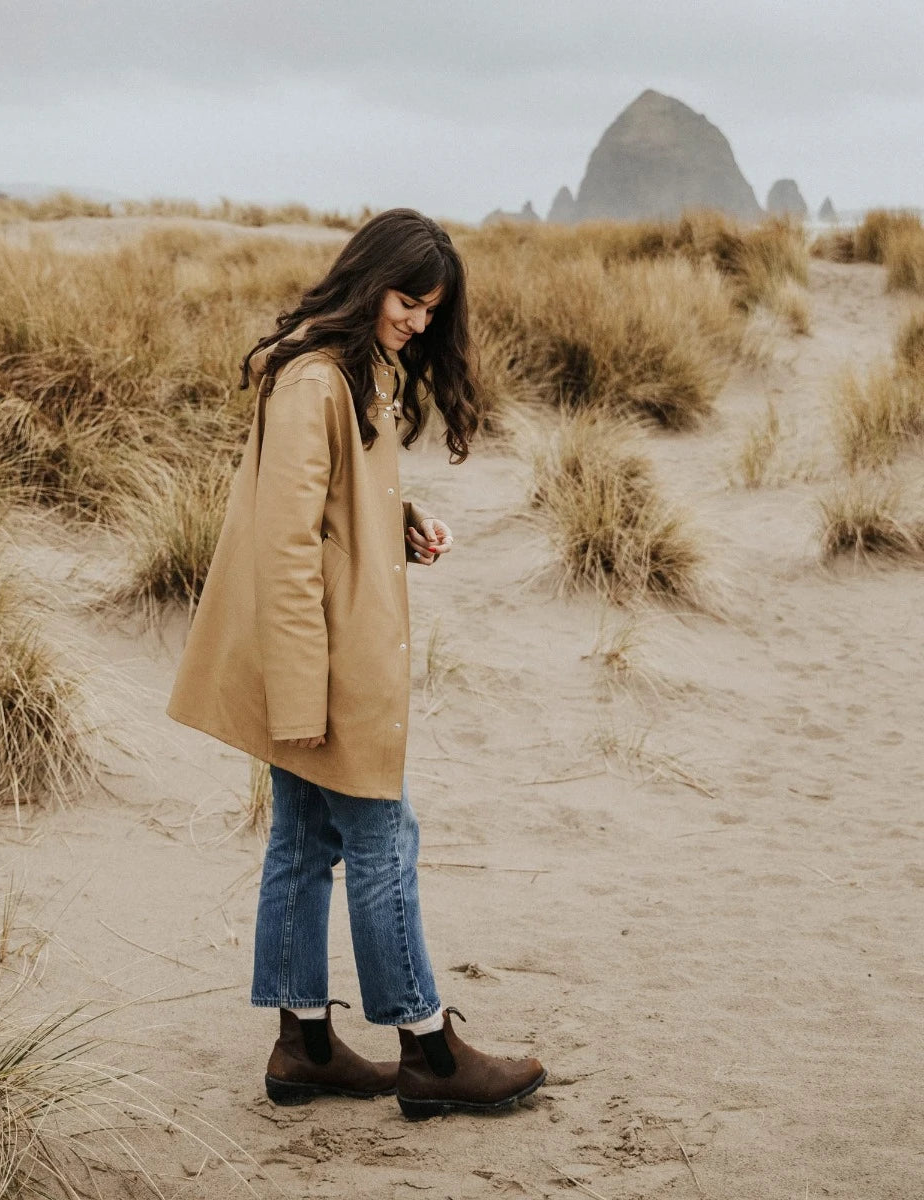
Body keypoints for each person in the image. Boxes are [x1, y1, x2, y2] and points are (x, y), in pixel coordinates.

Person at [166, 208, 545, 1119]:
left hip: (322, 647)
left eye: (431, 310)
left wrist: (396, 521)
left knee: (303, 844)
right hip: (325, 658)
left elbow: (332, 501)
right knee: (384, 840)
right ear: (369, 279)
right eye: (407, 300)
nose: (417, 321)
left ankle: (303, 1046)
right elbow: (286, 547)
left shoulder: (350, 369)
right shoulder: (314, 380)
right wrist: (302, 697)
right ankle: (427, 1050)